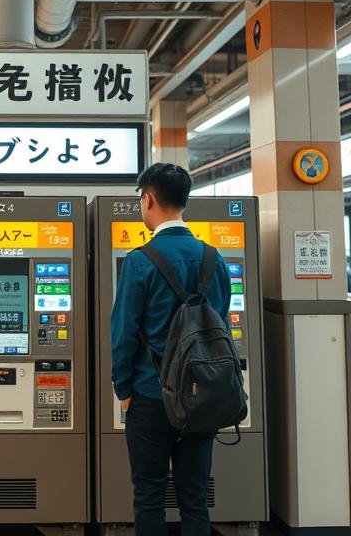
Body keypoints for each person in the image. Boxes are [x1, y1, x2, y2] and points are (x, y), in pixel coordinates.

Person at [110, 163, 230, 536]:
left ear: (148, 199)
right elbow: (221, 324)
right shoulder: (215, 258)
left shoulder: (140, 260)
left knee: (149, 494)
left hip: (151, 394)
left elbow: (124, 333)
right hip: (203, 394)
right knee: (194, 496)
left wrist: (124, 390)